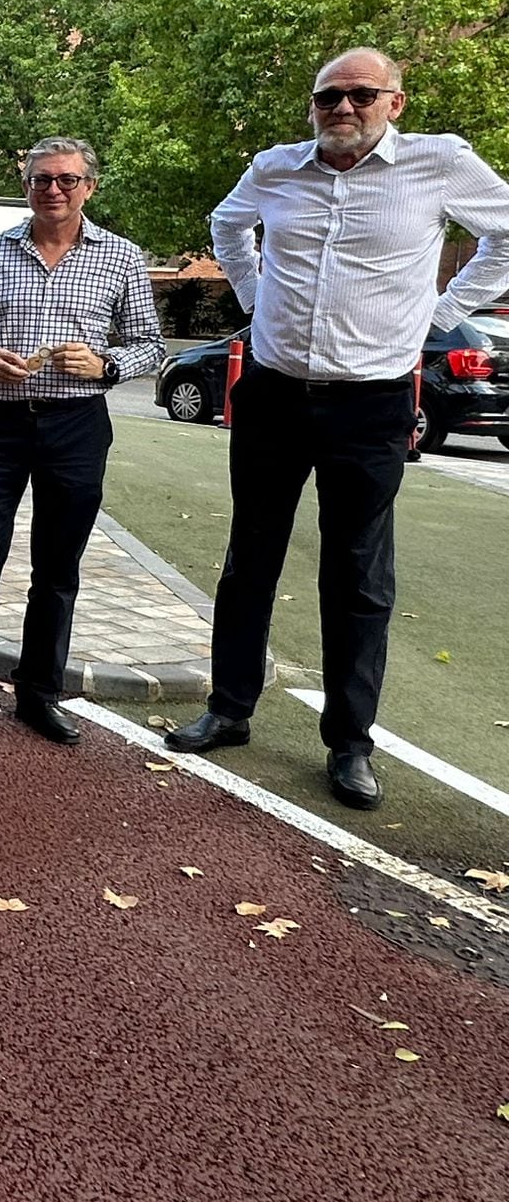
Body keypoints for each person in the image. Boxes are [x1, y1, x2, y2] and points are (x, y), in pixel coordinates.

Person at [169, 49, 509, 808]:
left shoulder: (440, 164)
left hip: (371, 402)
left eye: (360, 94)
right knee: (248, 556)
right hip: (274, 391)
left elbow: (505, 234)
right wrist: (256, 299)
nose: (343, 108)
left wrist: (441, 314)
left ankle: (350, 743)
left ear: (395, 103)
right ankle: (230, 708)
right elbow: (228, 226)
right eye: (329, 97)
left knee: (358, 574)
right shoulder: (277, 167)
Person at [0, 137, 164, 744]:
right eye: (42, 180)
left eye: (67, 181)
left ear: (89, 187)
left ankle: (39, 693)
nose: (53, 190)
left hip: (76, 425)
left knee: (57, 566)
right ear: (27, 187)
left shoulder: (122, 258)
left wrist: (105, 366)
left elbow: (150, 343)